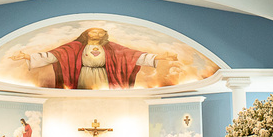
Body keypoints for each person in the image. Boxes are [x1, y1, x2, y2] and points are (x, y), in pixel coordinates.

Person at [9, 27, 173, 90]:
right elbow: (53, 55)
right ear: (86, 33)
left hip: (103, 76)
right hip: (84, 75)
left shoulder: (112, 48)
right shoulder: (75, 47)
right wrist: (27, 56)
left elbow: (133, 56)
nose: (97, 34)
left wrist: (160, 56)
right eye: (94, 32)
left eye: (101, 32)